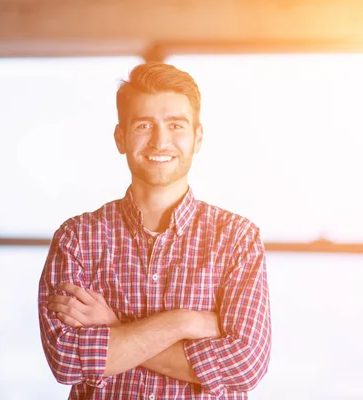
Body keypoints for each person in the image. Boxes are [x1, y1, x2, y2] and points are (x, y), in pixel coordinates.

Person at [38, 62, 272, 399]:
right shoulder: (77, 238)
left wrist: (115, 329)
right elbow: (67, 360)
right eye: (144, 125)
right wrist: (185, 322)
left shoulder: (237, 239)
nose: (161, 141)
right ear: (121, 137)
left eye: (176, 125)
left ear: (198, 137)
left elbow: (244, 366)